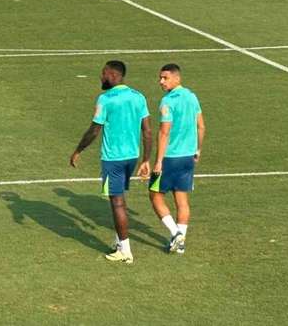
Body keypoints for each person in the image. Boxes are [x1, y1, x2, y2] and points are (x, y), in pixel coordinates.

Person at [69, 60, 152, 264]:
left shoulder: (105, 99)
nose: (101, 77)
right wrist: (146, 159)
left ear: (112, 75)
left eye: (103, 73)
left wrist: (78, 150)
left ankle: (125, 250)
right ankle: (119, 242)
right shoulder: (138, 96)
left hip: (113, 158)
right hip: (131, 157)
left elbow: (94, 129)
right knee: (120, 200)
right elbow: (148, 131)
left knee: (117, 202)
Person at [143, 63, 205, 255]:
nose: (161, 81)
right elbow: (201, 126)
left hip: (170, 158)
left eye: (165, 78)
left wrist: (159, 161)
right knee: (182, 199)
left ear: (177, 78)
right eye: (160, 78)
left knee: (154, 195)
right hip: (188, 157)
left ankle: (175, 233)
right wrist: (198, 150)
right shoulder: (192, 97)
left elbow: (164, 132)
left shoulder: (167, 102)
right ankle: (181, 243)